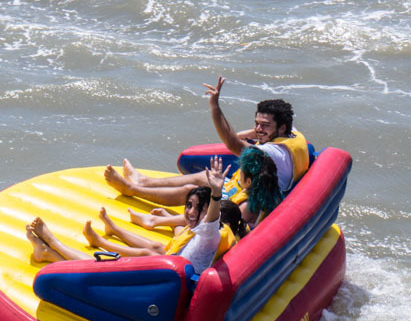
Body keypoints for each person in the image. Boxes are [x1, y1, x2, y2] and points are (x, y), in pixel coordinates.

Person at [104, 75, 311, 205]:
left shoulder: (273, 153)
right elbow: (245, 136)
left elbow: (233, 144)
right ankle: (145, 181)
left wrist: (215, 106)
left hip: (257, 200)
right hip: (258, 186)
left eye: (265, 125)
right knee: (206, 176)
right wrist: (257, 132)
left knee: (195, 192)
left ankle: (132, 189)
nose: (258, 129)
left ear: (281, 127)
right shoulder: (292, 132)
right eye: (257, 123)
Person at [26, 157, 230, 275]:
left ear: (208, 212)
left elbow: (211, 219)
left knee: (103, 266)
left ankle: (53, 243)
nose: (191, 212)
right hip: (170, 275)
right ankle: (49, 253)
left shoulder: (208, 234)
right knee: (154, 250)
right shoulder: (199, 232)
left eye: (198, 208)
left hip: (163, 286)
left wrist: (216, 192)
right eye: (188, 206)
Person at [129, 146, 283, 228]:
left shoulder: (245, 207)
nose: (238, 173)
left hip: (212, 241)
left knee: (197, 200)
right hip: (218, 229)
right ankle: (141, 186)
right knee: (199, 189)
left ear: (249, 182)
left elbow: (211, 226)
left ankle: (153, 220)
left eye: (241, 171)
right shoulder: (268, 194)